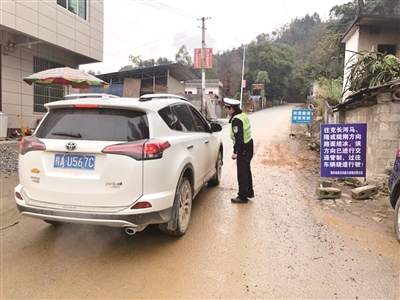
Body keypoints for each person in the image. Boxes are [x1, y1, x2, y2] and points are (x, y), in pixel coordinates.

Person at [224, 98, 254, 203]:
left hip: (243, 148)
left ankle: (242, 196)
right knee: (246, 170)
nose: (226, 111)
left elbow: (239, 139)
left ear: (231, 109)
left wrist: (235, 152)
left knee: (242, 172)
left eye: (227, 109)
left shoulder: (236, 120)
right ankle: (249, 192)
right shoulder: (243, 116)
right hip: (249, 145)